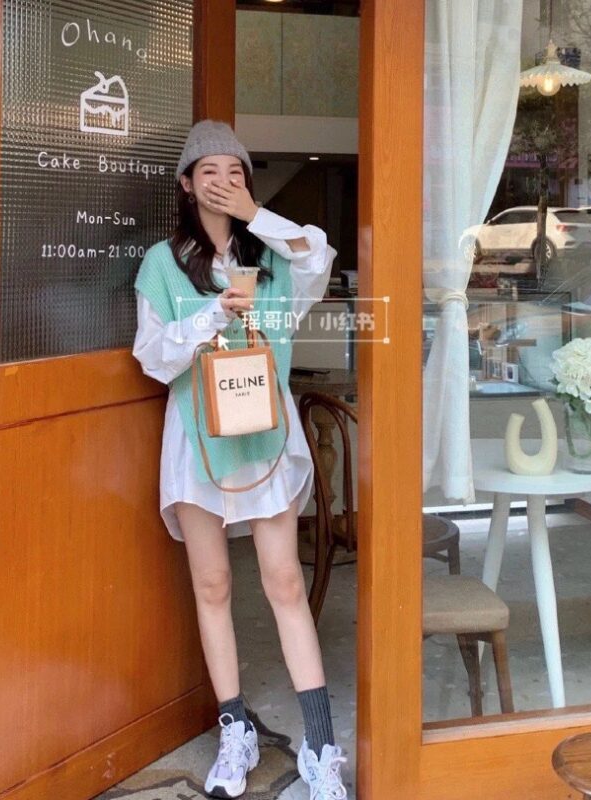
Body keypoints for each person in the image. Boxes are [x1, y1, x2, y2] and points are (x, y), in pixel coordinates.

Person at [132, 120, 346, 800]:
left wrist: (256, 215)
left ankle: (321, 746)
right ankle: (235, 731)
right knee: (213, 585)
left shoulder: (275, 256)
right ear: (186, 183)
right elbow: (152, 356)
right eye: (209, 171)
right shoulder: (163, 263)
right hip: (197, 439)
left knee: (283, 582)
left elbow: (318, 256)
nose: (222, 181)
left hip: (264, 436)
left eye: (236, 172)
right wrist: (212, 317)